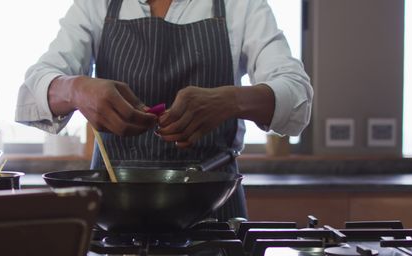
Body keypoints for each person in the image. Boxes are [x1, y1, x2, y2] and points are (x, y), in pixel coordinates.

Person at [16, 0, 313, 221]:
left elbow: (297, 95)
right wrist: (76, 89)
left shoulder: (240, 5)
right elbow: (34, 89)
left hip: (214, 212)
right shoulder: (99, 4)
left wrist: (230, 100)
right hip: (114, 217)